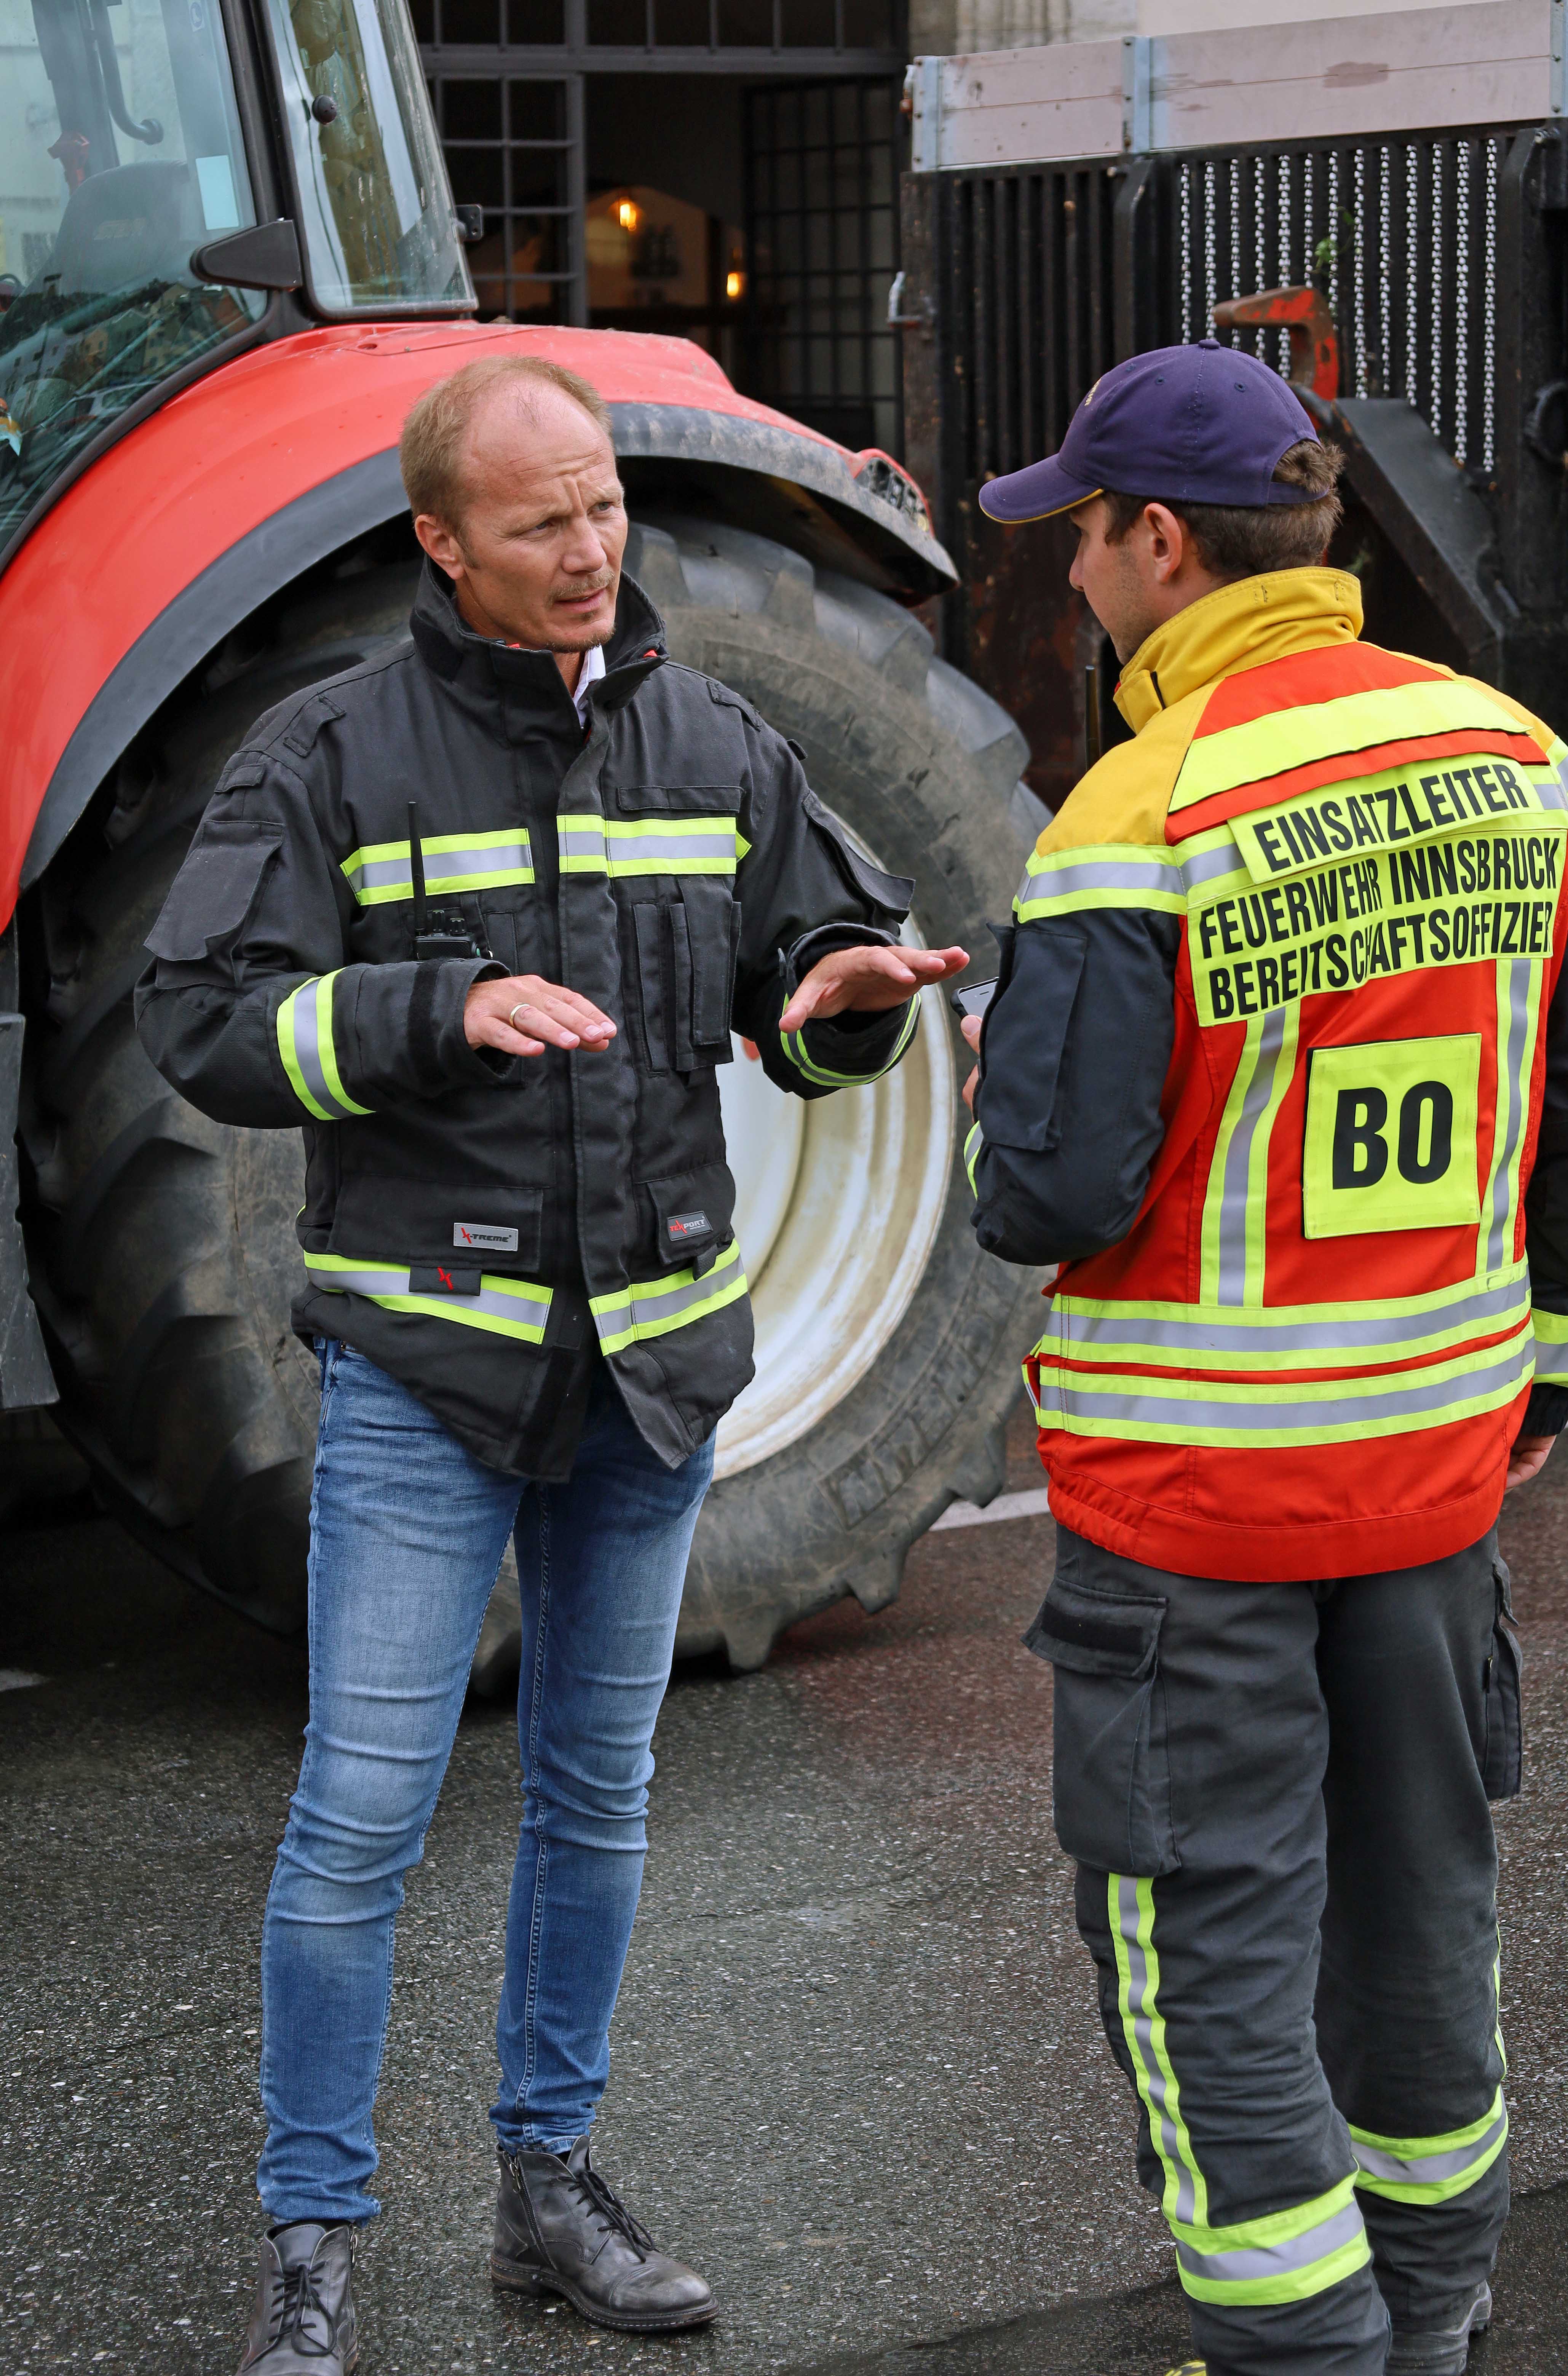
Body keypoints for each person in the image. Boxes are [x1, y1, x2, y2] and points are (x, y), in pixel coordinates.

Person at [135, 351, 966, 2373]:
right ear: (444, 542)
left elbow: (804, 985)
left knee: (596, 1802)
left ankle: (550, 2193)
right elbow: (199, 1014)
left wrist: (848, 1010)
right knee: (362, 1816)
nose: (593, 547)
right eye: (541, 522)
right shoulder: (327, 751)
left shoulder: (716, 737)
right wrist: (432, 1013)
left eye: (600, 507)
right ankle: (315, 2238)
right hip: (435, 1380)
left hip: (656, 1382)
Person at [960, 338, 1568, 2376]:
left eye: (1079, 538)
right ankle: (1444, 2322)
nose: (1067, 579)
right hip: (1431, 1479)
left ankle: (1301, 2352)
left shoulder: (1138, 810)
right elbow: (1565, 1110)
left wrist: (996, 1068)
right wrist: (1540, 1379)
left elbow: (1051, 1190)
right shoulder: (1519, 755)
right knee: (1423, 1920)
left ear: (1162, 541)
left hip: (1193, 1516)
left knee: (1208, 1947)